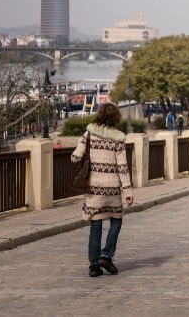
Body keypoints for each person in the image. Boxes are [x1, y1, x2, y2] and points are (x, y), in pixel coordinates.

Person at [70, 103, 134, 278]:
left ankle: (93, 266)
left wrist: (81, 149)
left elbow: (75, 157)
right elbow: (123, 167)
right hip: (113, 188)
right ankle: (106, 255)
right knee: (116, 221)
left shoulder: (88, 134)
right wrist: (128, 192)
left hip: (94, 188)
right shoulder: (118, 139)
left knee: (96, 225)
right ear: (116, 118)